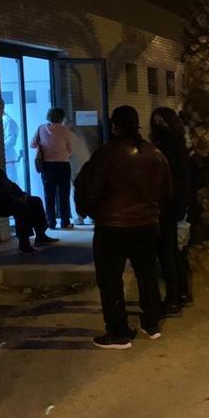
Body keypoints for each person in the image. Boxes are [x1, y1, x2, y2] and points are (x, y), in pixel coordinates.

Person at [75, 106, 173, 349]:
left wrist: (87, 210)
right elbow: (167, 191)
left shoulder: (106, 154)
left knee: (110, 279)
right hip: (147, 225)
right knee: (147, 275)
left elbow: (88, 190)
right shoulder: (155, 154)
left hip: (112, 227)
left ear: (115, 126)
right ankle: (151, 323)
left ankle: (118, 332)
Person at [0, 144, 59, 255]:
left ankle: (40, 235)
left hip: (5, 198)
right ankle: (24, 243)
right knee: (20, 207)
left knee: (35, 201)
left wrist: (22, 194)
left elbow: (9, 184)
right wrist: (14, 198)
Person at [150, 107, 193, 316]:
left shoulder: (164, 148)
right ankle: (183, 294)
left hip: (166, 207)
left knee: (167, 253)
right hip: (175, 206)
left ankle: (173, 300)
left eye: (160, 122)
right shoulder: (179, 146)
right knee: (173, 253)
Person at [31, 108, 73, 230]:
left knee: (49, 195)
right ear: (61, 117)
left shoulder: (41, 128)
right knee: (64, 194)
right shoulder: (65, 130)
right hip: (63, 165)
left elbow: (32, 144)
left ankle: (51, 222)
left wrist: (45, 145)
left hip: (47, 166)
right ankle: (65, 222)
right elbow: (70, 149)